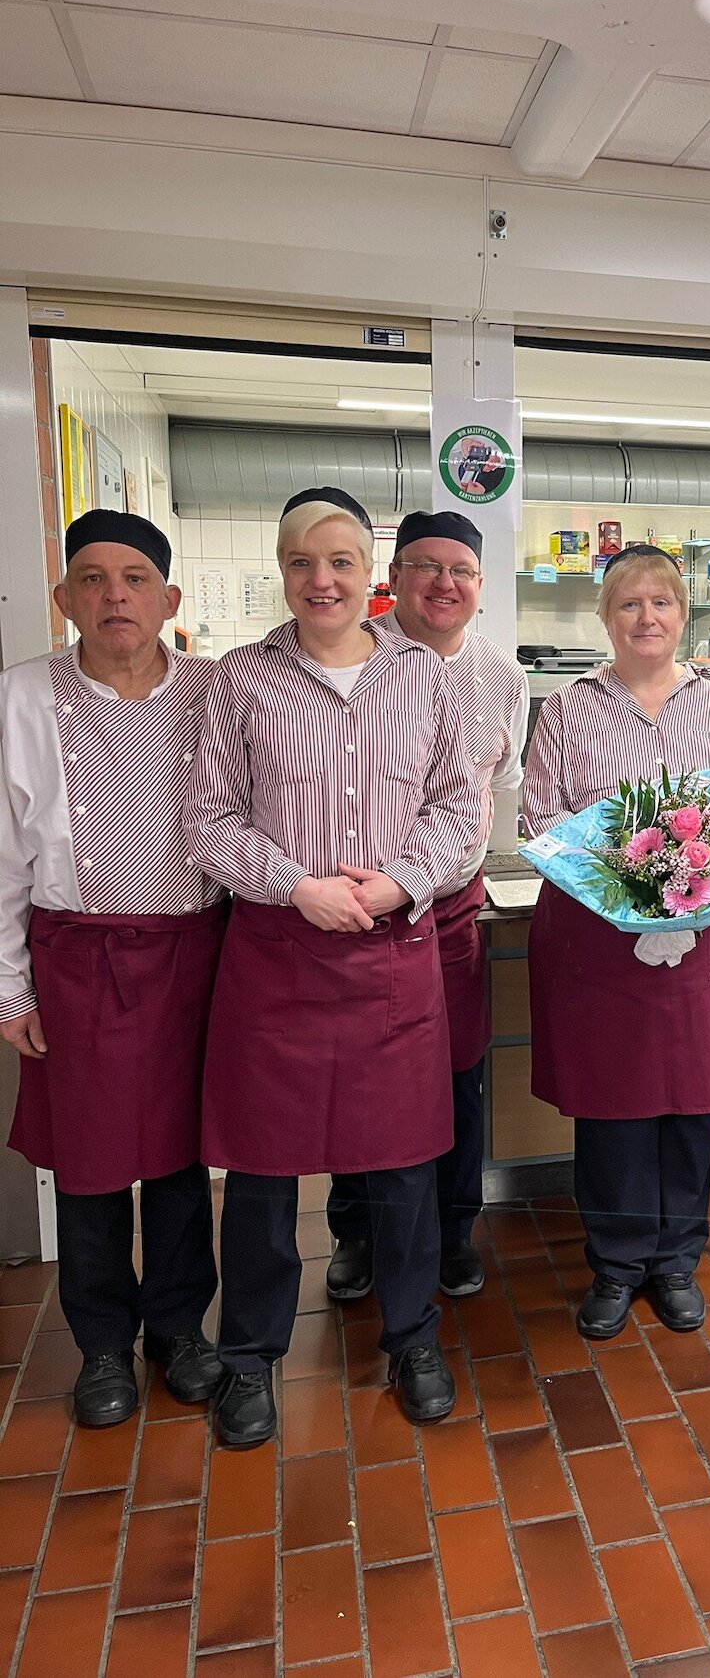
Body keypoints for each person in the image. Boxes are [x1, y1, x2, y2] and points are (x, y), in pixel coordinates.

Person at [184, 494, 482, 1446]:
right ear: (282, 569)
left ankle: (412, 1336)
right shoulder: (241, 680)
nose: (323, 580)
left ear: (371, 573)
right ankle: (250, 1355)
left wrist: (399, 881)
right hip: (277, 954)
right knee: (263, 1173)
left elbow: (456, 807)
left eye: (342, 561)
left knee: (403, 1162)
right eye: (302, 561)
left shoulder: (423, 677)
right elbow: (209, 818)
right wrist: (295, 886)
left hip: (392, 954)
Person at [524, 545, 710, 1340]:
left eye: (661, 603)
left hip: (706, 943)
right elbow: (540, 818)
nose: (647, 617)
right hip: (600, 944)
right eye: (629, 604)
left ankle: (675, 1260)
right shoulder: (568, 709)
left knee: (691, 1105)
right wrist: (620, 879)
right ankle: (615, 1262)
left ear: (683, 614)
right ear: (605, 617)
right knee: (612, 1107)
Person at [0, 510, 226, 1427]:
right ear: (64, 598)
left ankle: (178, 1327)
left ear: (169, 598)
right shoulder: (20, 695)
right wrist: (9, 987)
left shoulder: (216, 689)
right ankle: (101, 1342)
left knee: (180, 1157)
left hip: (192, 953)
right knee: (88, 1164)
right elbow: (1, 856)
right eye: (91, 579)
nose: (114, 596)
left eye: (134, 578)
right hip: (76, 958)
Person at [326, 508, 528, 1305]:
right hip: (361, 912)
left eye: (462, 570)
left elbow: (496, 787)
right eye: (427, 566)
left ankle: (451, 1232)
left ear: (480, 584)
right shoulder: (353, 655)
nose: (445, 583)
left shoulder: (501, 675)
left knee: (458, 1073)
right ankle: (357, 1232)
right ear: (394, 577)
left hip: (449, 911)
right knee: (360, 1077)